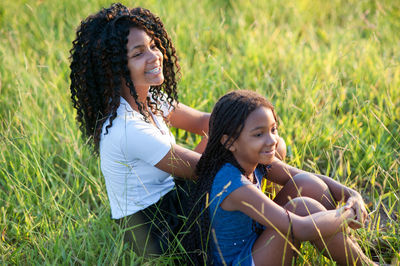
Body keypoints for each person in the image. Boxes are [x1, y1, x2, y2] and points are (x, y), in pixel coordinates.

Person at [69, 3, 287, 258]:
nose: (154, 56)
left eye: (153, 45)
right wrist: (251, 145)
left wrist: (250, 135)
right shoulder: (127, 128)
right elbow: (205, 170)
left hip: (172, 195)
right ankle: (261, 220)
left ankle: (258, 215)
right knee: (251, 152)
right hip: (156, 228)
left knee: (264, 145)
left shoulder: (150, 99)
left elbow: (209, 122)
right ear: (115, 67)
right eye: (139, 53)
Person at [182, 90, 375, 265]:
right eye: (259, 134)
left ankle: (349, 248)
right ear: (230, 142)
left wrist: (352, 195)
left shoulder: (252, 160)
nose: (272, 140)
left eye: (273, 130)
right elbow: (301, 228)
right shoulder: (233, 184)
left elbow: (307, 177)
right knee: (302, 207)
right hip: (242, 261)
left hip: (256, 241)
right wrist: (347, 213)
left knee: (307, 184)